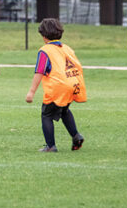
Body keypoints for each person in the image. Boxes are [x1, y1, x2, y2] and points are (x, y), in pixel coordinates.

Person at [25, 18, 86, 153]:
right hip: (72, 84)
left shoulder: (45, 51)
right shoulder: (67, 48)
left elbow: (39, 71)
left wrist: (31, 92)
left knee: (46, 115)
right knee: (64, 111)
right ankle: (76, 136)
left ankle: (50, 146)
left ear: (43, 35)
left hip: (58, 87)